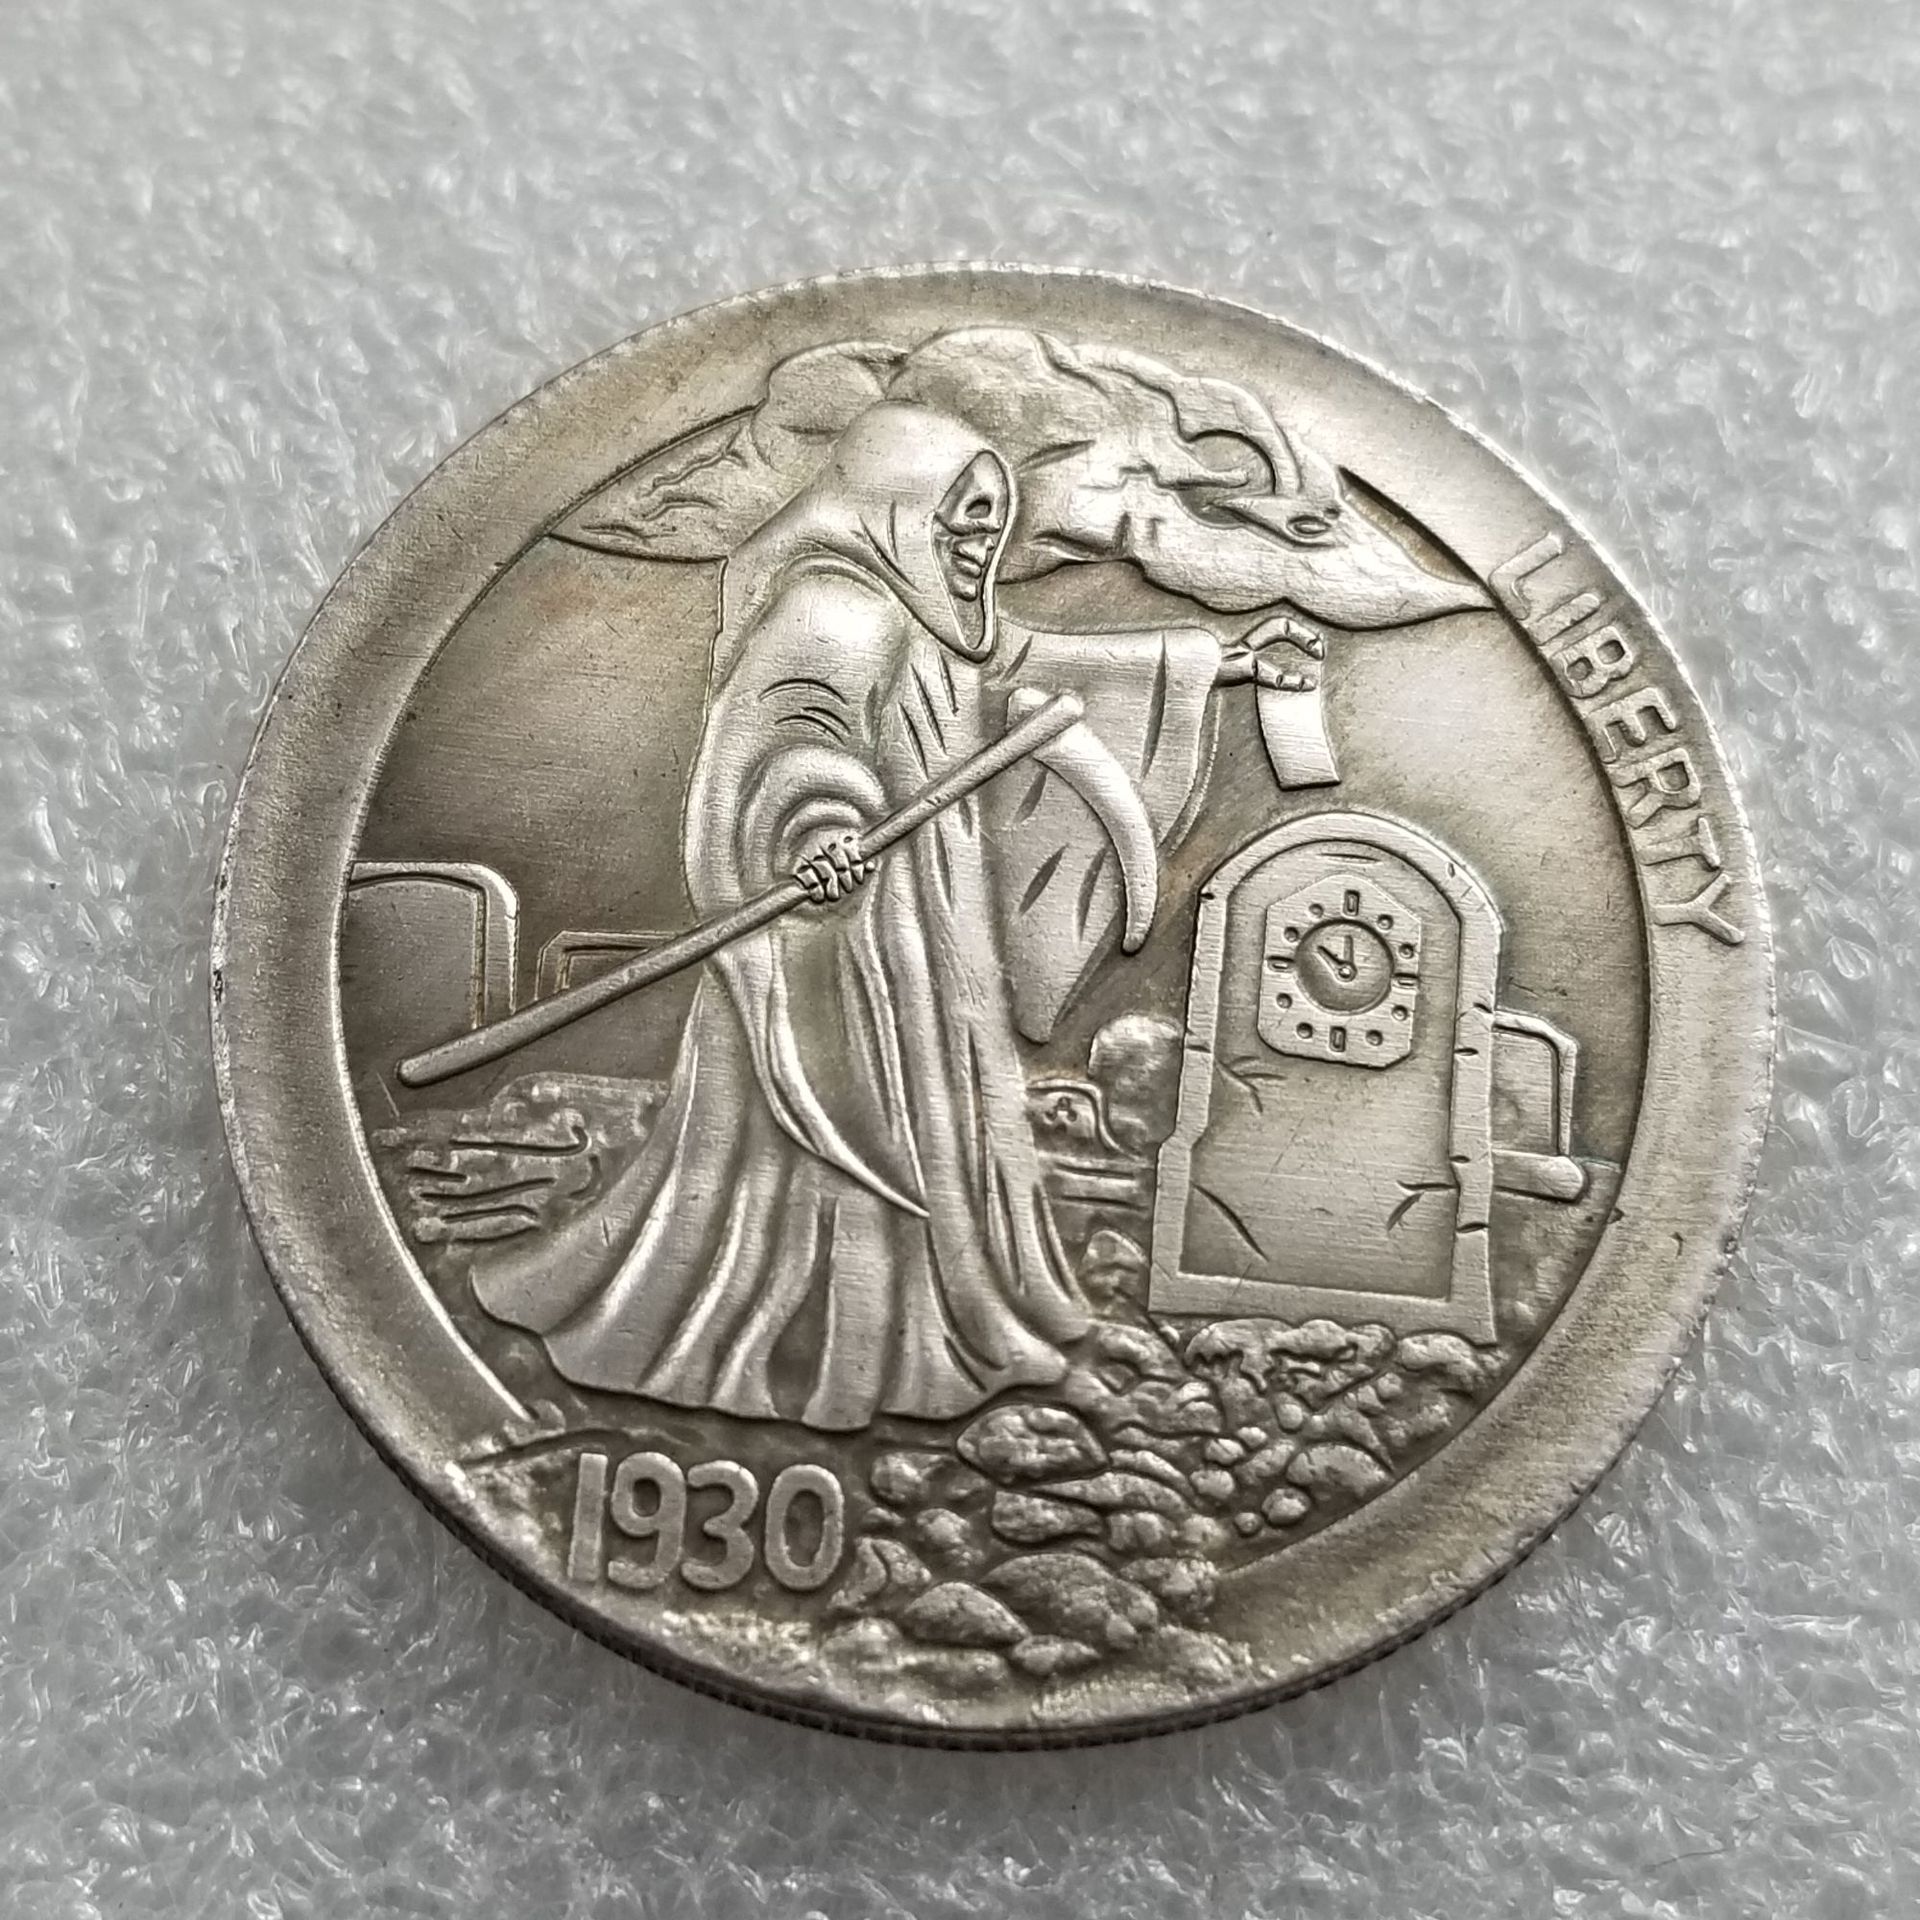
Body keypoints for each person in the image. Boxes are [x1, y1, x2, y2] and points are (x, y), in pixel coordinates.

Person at [472, 405, 1096, 1429]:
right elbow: (789, 729)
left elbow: (1042, 664)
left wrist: (1226, 666)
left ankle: (930, 1314)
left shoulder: (920, 618)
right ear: (894, 498)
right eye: (964, 507)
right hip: (840, 946)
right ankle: (837, 1348)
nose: (984, 533)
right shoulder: (833, 608)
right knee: (851, 1115)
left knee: (916, 1108)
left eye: (994, 510)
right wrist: (820, 828)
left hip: (918, 934)